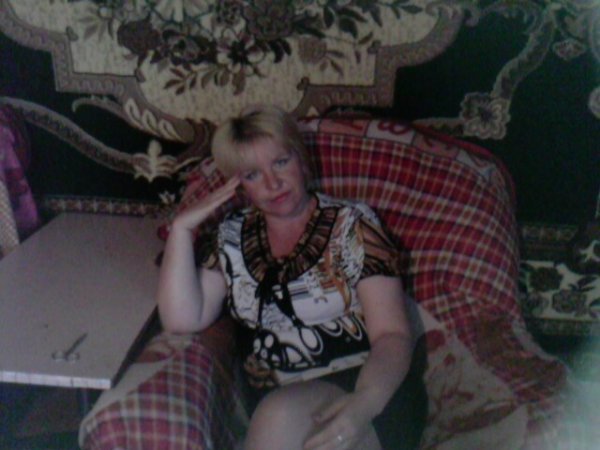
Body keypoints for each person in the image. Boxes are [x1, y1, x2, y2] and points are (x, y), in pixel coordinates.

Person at [157, 105, 426, 450]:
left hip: (370, 389)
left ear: (301, 158)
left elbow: (392, 335)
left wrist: (363, 405)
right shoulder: (231, 238)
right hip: (276, 397)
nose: (273, 183)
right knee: (278, 415)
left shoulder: (353, 226)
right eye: (253, 174)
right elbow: (181, 319)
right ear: (238, 184)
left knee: (279, 416)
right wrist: (181, 229)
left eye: (281, 162)